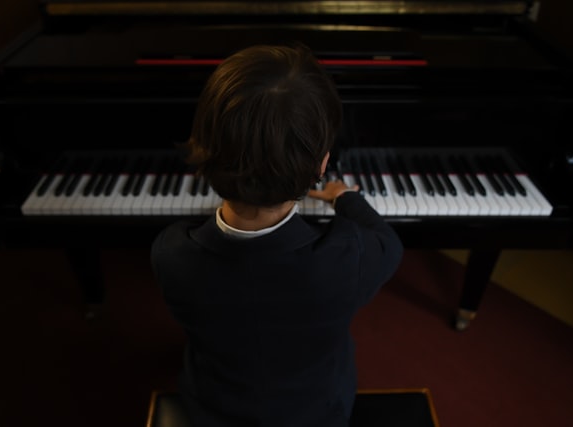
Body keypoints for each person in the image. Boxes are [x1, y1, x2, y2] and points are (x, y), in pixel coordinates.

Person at [151, 43, 403, 427]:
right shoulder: (347, 256)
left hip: (211, 407)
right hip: (317, 411)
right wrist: (347, 200)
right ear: (321, 164)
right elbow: (389, 243)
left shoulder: (169, 251)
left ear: (203, 149)